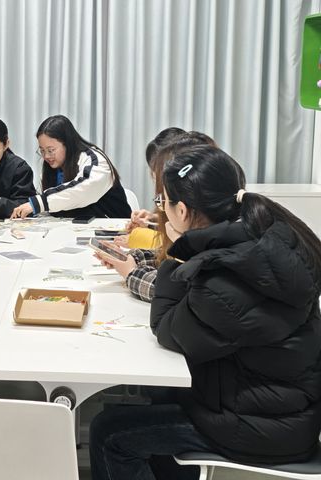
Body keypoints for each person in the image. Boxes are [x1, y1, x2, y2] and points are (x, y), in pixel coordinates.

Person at [90, 145, 321, 479]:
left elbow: (167, 329)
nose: (161, 210)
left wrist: (176, 252)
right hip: (282, 407)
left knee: (109, 433)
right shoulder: (261, 237)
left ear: (182, 211)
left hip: (260, 427)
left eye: (163, 202)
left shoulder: (223, 276)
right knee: (156, 393)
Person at [98, 130, 215, 302]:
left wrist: (131, 272)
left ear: (181, 209)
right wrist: (134, 258)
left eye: (162, 198)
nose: (161, 206)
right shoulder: (211, 228)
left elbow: (177, 291)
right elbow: (168, 257)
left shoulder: (208, 247)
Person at [11, 114, 131, 219]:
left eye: (51, 150)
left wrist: (39, 203)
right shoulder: (53, 167)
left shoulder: (94, 160)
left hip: (113, 229)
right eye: (42, 150)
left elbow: (83, 190)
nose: (46, 156)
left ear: (67, 144)